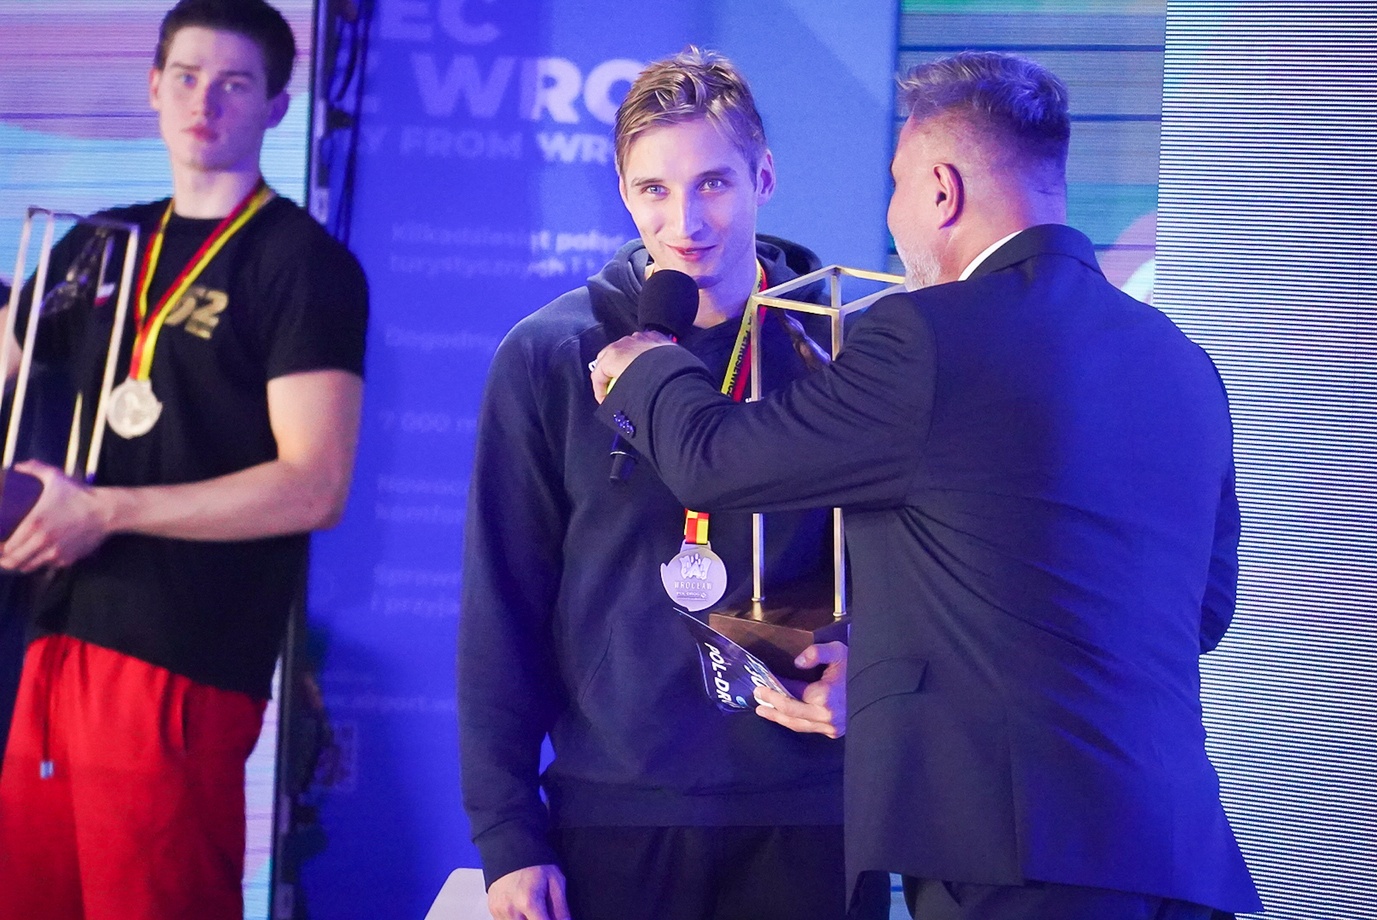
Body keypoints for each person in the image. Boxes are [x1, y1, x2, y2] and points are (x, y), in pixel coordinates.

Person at [591, 51, 1262, 920]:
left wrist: (648, 365)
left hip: (1012, 856)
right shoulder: (1181, 362)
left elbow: (712, 462)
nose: (892, 213)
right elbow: (1203, 612)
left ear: (941, 191)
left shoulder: (925, 336)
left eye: (897, 185)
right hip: (1175, 857)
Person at [459, 48, 883, 920]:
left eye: (713, 184)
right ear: (623, 191)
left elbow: (913, 576)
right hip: (615, 812)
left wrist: (871, 675)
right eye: (654, 189)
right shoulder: (551, 354)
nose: (684, 221)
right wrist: (506, 832)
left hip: (813, 813)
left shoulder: (847, 347)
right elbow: (502, 601)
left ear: (764, 178)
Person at [0, 1, 368, 917]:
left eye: (234, 83)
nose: (205, 101)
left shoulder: (301, 264)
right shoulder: (97, 242)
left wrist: (107, 511)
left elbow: (314, 485)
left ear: (276, 106)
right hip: (52, 638)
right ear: (153, 87)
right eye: (188, 77)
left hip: (180, 653)